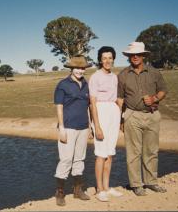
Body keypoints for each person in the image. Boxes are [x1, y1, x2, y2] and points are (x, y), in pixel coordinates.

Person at [117, 42, 168, 196]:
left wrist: (154, 99)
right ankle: (136, 185)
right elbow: (120, 99)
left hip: (152, 115)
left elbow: (163, 90)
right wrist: (121, 120)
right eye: (132, 54)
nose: (135, 56)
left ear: (144, 55)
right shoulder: (123, 75)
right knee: (133, 152)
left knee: (151, 150)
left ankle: (151, 182)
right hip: (132, 115)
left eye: (138, 54)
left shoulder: (154, 72)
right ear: (129, 57)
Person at [54, 55, 93, 206]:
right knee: (65, 160)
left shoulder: (86, 84)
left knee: (79, 159)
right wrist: (61, 128)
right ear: (71, 69)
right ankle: (60, 192)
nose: (80, 71)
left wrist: (90, 127)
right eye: (77, 68)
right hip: (68, 128)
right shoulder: (63, 84)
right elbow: (59, 107)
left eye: (82, 68)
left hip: (83, 127)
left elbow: (88, 107)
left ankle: (78, 190)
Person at [89, 46, 123, 202]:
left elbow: (117, 99)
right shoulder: (95, 77)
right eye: (104, 58)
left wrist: (121, 116)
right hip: (100, 112)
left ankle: (107, 187)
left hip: (113, 112)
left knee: (110, 153)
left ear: (113, 59)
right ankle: (99, 189)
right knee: (101, 154)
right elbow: (92, 103)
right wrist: (96, 125)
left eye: (110, 58)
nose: (107, 61)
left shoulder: (115, 77)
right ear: (100, 60)